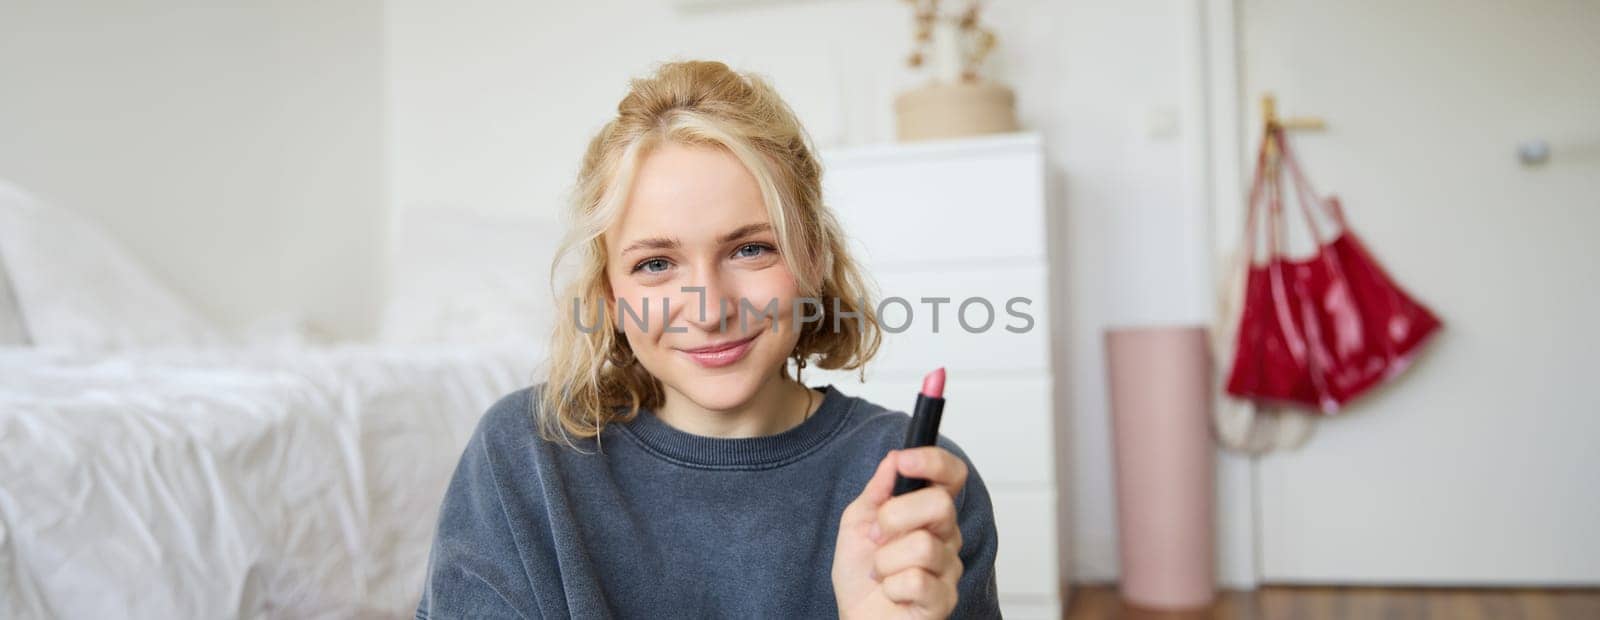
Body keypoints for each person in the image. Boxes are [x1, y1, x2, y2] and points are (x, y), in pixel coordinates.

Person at [416, 60, 1001, 619]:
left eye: (751, 249)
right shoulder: (524, 457)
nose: (711, 309)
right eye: (654, 264)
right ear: (610, 296)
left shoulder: (919, 487)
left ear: (814, 258)